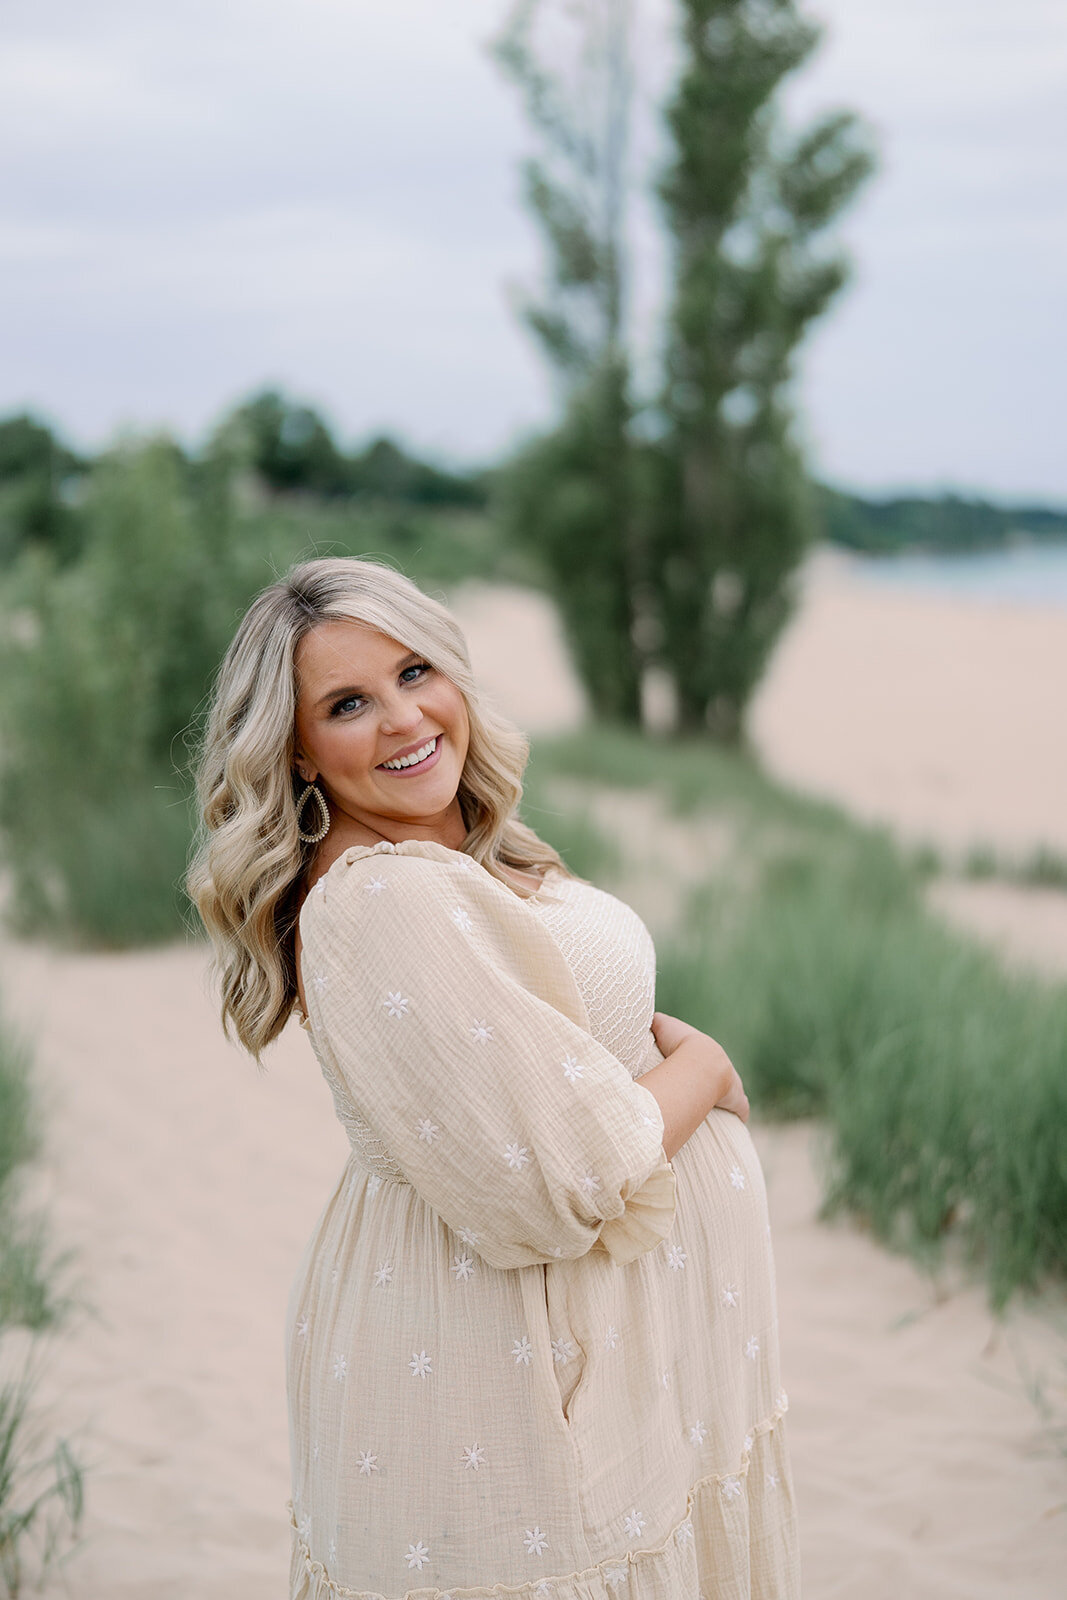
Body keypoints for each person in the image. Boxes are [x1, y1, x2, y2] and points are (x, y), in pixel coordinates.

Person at [188, 556, 799, 1600]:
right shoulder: (383, 902)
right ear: (294, 749)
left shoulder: (447, 855)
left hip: (593, 1343)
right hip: (501, 1354)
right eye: (346, 703)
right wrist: (703, 1067)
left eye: (414, 670)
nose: (401, 718)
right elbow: (566, 1176)